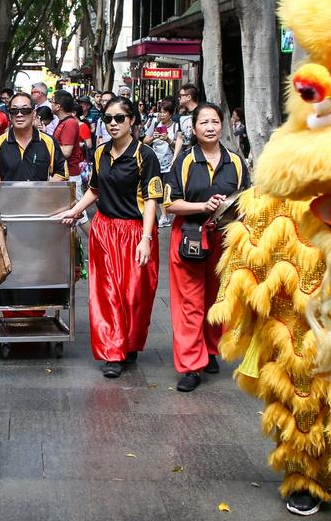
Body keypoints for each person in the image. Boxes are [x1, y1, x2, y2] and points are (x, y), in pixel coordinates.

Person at [56, 97, 162, 378]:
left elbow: (152, 199)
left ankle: (129, 344)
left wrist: (147, 238)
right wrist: (75, 211)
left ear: (132, 121)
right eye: (107, 119)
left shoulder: (145, 155)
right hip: (104, 230)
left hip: (135, 231)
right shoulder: (101, 153)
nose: (113, 124)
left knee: (136, 295)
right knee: (107, 293)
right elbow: (95, 189)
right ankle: (112, 351)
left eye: (119, 118)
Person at [163, 102, 249, 392]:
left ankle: (210, 350)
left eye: (215, 121)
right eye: (204, 122)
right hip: (188, 235)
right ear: (194, 128)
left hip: (223, 240)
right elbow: (169, 203)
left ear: (222, 125)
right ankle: (190, 365)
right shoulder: (185, 161)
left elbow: (247, 203)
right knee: (190, 303)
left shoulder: (235, 162)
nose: (210, 127)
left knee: (217, 299)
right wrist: (203, 205)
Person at [0, 92, 68, 189]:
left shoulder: (48, 142)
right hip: (10, 203)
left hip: (40, 202)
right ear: (9, 115)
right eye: (14, 110)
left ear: (34, 114)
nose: (19, 114)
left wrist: (43, 190)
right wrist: (5, 193)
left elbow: (61, 173)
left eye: (25, 110)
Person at [143, 100, 179, 226]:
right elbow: (145, 141)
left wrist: (168, 139)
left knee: (168, 189)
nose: (161, 115)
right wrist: (154, 136)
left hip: (170, 164)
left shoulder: (176, 126)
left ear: (170, 114)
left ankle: (170, 214)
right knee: (158, 190)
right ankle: (164, 216)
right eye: (160, 112)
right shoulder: (155, 124)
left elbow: (179, 146)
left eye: (164, 112)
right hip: (156, 162)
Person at [51, 89, 84, 201]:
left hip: (70, 175)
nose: (51, 104)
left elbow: (66, 152)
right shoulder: (64, 122)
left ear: (58, 106)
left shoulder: (70, 123)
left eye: (52, 102)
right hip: (65, 175)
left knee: (79, 214)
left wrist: (49, 146)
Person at [173, 82, 199, 161]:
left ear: (189, 97)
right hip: (186, 154)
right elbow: (180, 137)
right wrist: (175, 157)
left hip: (198, 154)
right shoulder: (182, 116)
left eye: (181, 96)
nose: (179, 98)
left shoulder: (201, 112)